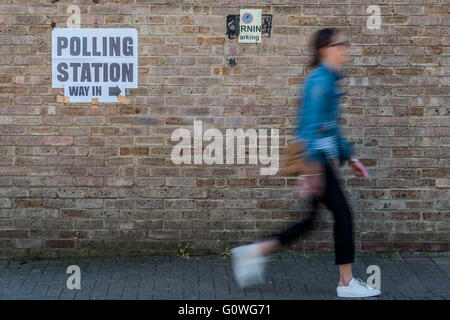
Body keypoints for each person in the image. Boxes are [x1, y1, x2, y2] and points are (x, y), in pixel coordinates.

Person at [231, 28, 381, 298]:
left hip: (320, 159)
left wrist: (351, 157)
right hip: (317, 161)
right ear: (325, 48)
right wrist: (311, 171)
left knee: (311, 222)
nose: (345, 48)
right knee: (343, 216)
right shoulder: (320, 81)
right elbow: (309, 127)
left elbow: (330, 127)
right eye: (340, 44)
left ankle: (254, 252)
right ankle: (346, 283)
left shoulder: (328, 79)